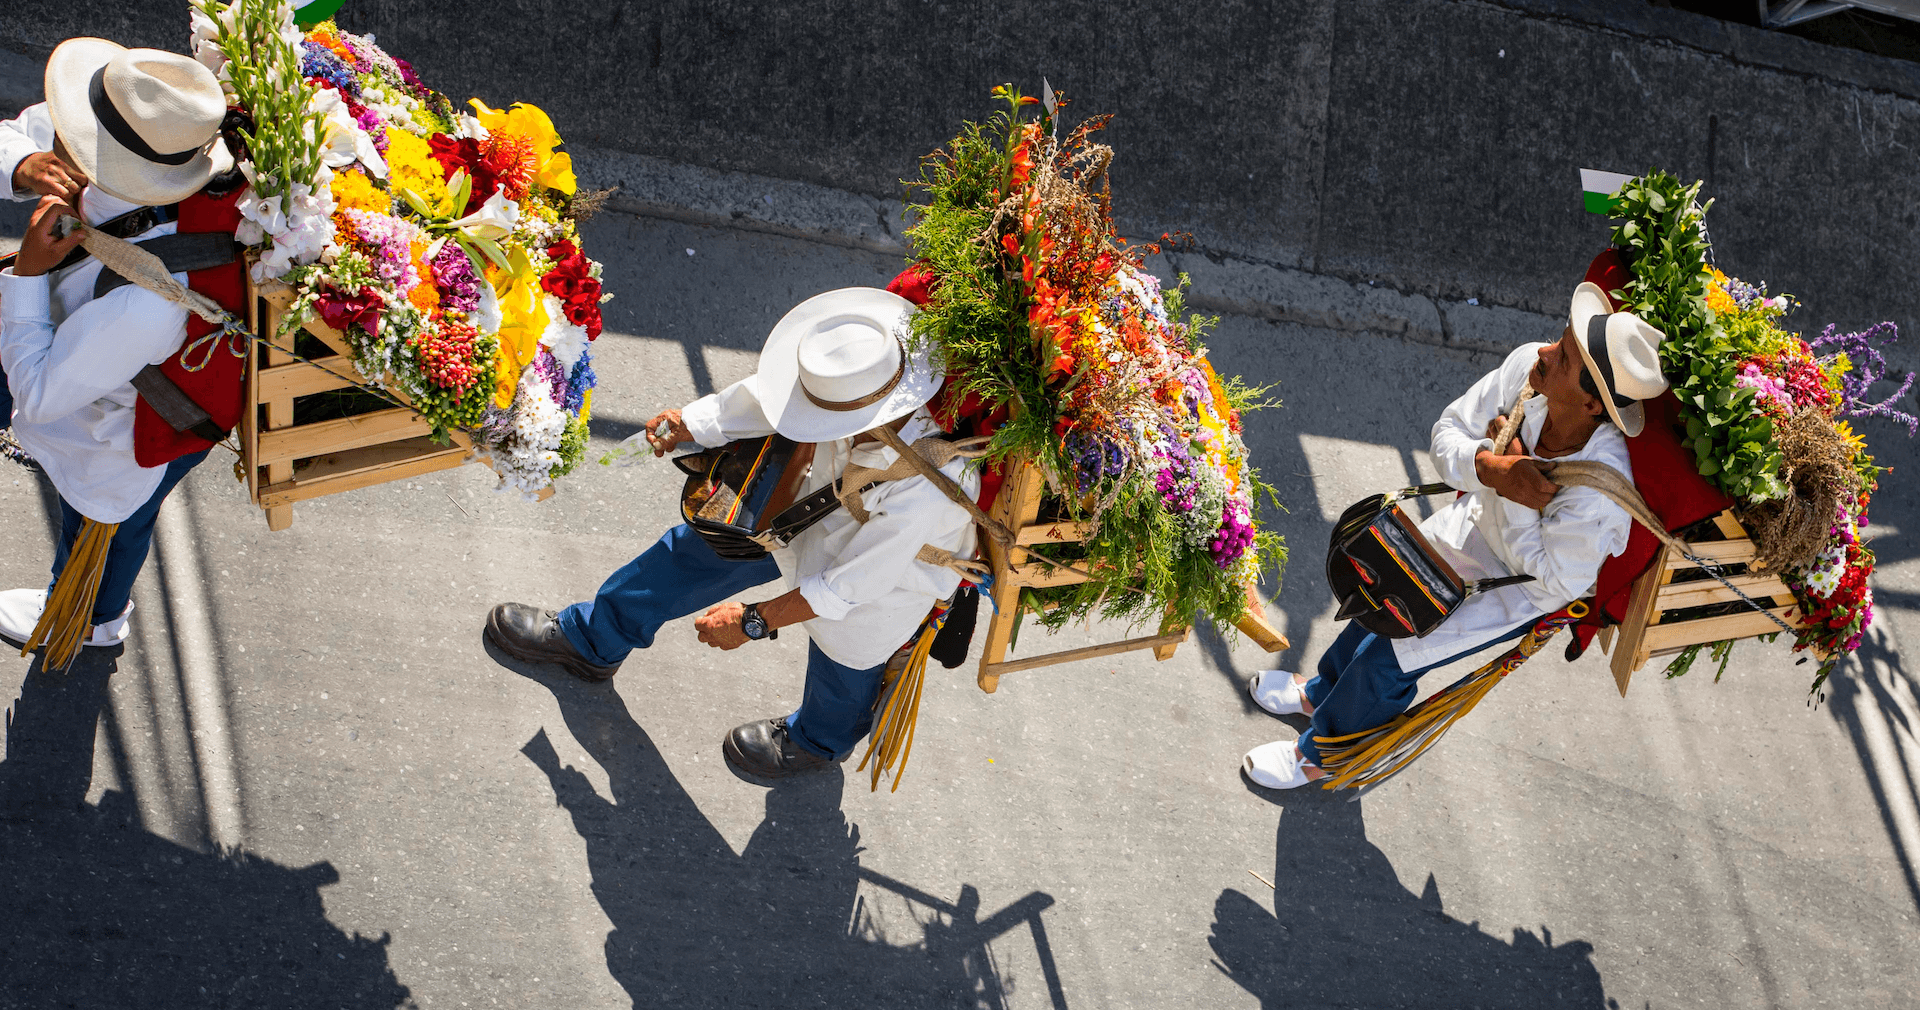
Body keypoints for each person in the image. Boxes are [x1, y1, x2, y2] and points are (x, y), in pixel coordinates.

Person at [486, 287, 979, 781]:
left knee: (848, 654)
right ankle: (592, 637)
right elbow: (772, 399)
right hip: (811, 502)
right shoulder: (843, 380)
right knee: (697, 550)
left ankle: (818, 743)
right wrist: (691, 423)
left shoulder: (933, 488)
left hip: (888, 575)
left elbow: (847, 588)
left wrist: (751, 622)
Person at [1242, 282, 1669, 788]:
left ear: (1595, 406)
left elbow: (1552, 584)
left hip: (1509, 593)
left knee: (1392, 659)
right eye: (1561, 338)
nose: (1546, 353)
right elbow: (1448, 433)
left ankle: (1322, 756)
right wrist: (1490, 468)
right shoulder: (1530, 371)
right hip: (1469, 521)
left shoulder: (1600, 493)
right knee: (1381, 598)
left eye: (1565, 356)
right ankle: (1321, 690)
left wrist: (1510, 493)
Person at [0, 40, 240, 658]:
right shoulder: (150, 131)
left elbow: (41, 394)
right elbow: (21, 131)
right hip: (126, 376)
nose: (60, 139)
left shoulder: (149, 301)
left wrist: (26, 275)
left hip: (138, 421)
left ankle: (92, 619)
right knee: (122, 515)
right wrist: (24, 163)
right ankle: (98, 612)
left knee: (106, 519)